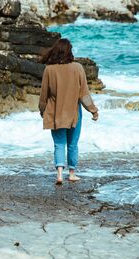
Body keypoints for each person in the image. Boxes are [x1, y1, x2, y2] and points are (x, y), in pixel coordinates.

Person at [39, 38, 99, 185]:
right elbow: (84, 94)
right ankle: (71, 173)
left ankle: (59, 174)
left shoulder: (49, 69)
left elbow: (43, 95)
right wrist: (93, 110)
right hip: (74, 113)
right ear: (69, 52)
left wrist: (42, 111)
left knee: (59, 144)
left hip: (55, 113)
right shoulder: (77, 68)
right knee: (72, 144)